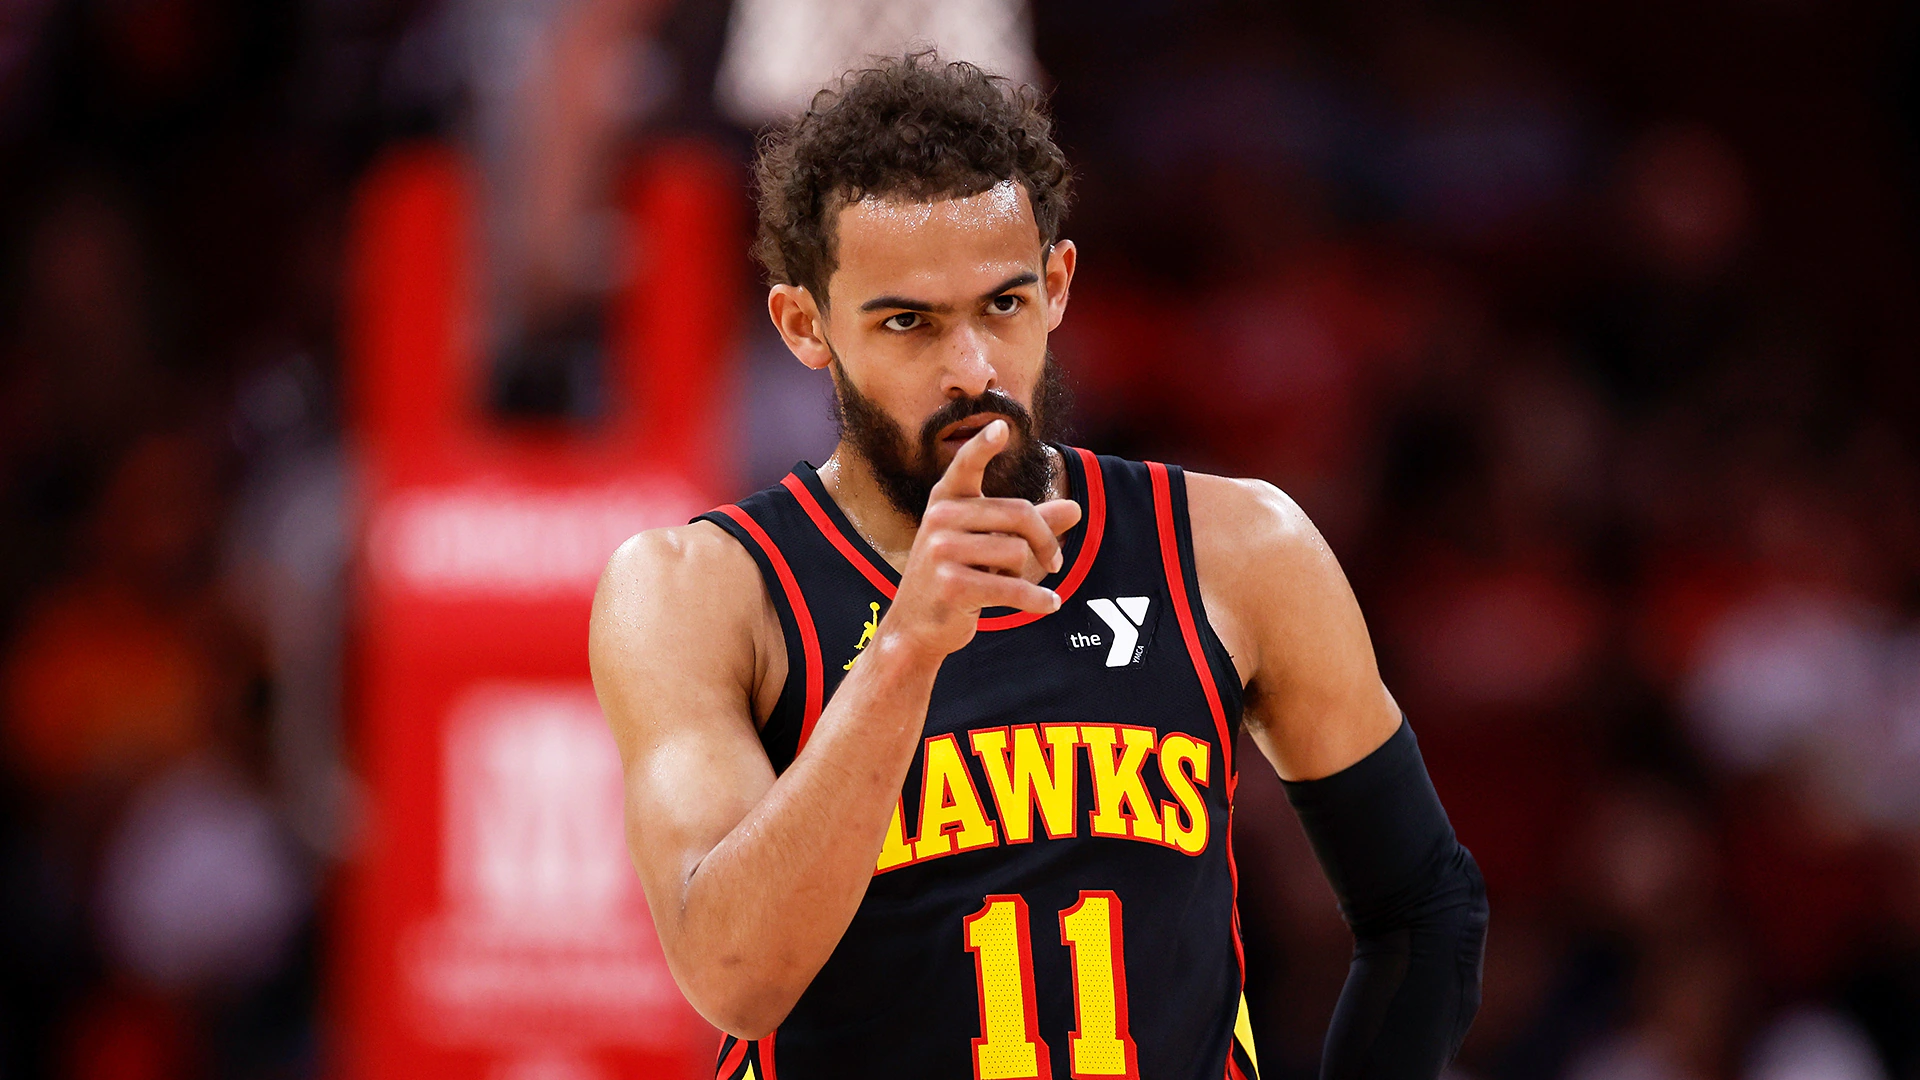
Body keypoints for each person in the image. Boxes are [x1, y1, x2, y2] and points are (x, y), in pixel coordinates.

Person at [590, 51, 1487, 1080]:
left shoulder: (1236, 549)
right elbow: (732, 978)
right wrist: (906, 651)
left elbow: (1426, 908)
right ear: (805, 326)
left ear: (1057, 285)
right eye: (908, 322)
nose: (971, 368)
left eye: (1003, 306)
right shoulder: (698, 589)